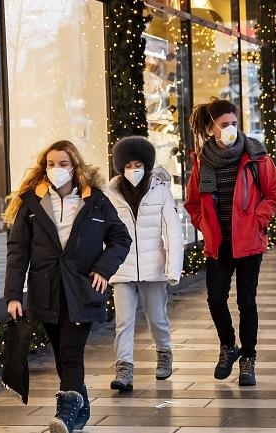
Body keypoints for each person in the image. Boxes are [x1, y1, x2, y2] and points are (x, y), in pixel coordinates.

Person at [3, 140, 132, 433]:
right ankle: (80, 408)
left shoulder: (96, 200)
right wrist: (13, 295)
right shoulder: (30, 202)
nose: (56, 169)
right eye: (50, 164)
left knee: (72, 352)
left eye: (62, 164)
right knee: (62, 354)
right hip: (45, 291)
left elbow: (120, 239)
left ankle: (64, 416)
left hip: (82, 290)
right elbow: (17, 251)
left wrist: (103, 268)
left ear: (74, 167)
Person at [185, 98, 276, 386]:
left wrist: (257, 219)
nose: (230, 129)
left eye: (234, 123)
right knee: (215, 299)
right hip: (219, 243)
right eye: (224, 125)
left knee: (246, 301)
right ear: (211, 128)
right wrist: (204, 225)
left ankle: (248, 358)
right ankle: (228, 346)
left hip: (249, 242)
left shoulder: (255, 154)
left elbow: (275, 193)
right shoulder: (202, 160)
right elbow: (193, 202)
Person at [103, 136, 184, 392]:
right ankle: (124, 367)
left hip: (153, 268)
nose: (133, 169)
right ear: (120, 166)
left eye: (138, 164)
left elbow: (172, 230)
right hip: (121, 269)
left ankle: (164, 351)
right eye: (128, 164)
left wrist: (173, 269)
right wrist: (102, 268)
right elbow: (103, 233)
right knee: (123, 322)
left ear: (147, 165)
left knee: (157, 318)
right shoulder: (110, 193)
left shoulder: (160, 191)